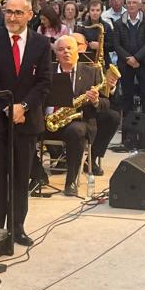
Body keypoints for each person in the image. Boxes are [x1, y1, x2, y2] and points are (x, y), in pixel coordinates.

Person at [0, 0, 52, 247]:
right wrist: (7, 107)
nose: (13, 17)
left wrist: (24, 107)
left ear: (30, 15)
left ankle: (17, 228)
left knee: (21, 177)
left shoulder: (41, 43)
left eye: (19, 12)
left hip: (27, 122)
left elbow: (43, 81)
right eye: (9, 11)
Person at [38, 36, 107, 197]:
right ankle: (37, 175)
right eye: (61, 50)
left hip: (77, 122)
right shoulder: (46, 72)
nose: (66, 52)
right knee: (22, 129)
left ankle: (70, 182)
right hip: (48, 120)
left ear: (78, 51)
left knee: (76, 132)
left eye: (69, 48)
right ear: (55, 54)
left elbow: (107, 104)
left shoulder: (92, 72)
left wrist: (96, 101)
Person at [113, 0, 145, 115]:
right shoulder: (118, 23)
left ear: (140, 5)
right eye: (129, 3)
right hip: (126, 64)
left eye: (134, 3)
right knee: (127, 95)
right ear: (125, 5)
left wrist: (136, 58)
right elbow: (117, 44)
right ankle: (128, 127)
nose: (131, 5)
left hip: (144, 62)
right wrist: (128, 59)